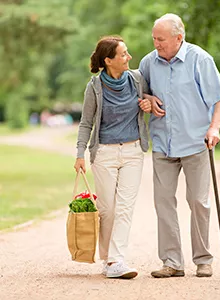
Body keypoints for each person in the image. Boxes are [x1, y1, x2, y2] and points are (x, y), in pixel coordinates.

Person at [139, 13, 220, 278]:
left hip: (195, 142)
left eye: (162, 40)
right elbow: (138, 91)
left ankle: (203, 260)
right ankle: (172, 262)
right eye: (154, 38)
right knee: (163, 202)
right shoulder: (148, 62)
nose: (157, 44)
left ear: (179, 38)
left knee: (198, 202)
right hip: (162, 144)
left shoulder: (200, 59)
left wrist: (214, 127)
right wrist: (146, 99)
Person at [74, 36, 151, 279]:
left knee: (125, 208)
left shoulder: (137, 79)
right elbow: (86, 123)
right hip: (104, 153)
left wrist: (148, 103)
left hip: (132, 151)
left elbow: (152, 99)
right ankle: (108, 259)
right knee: (108, 209)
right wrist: (79, 154)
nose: (129, 57)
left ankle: (117, 260)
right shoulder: (94, 87)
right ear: (108, 60)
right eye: (123, 54)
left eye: (127, 52)